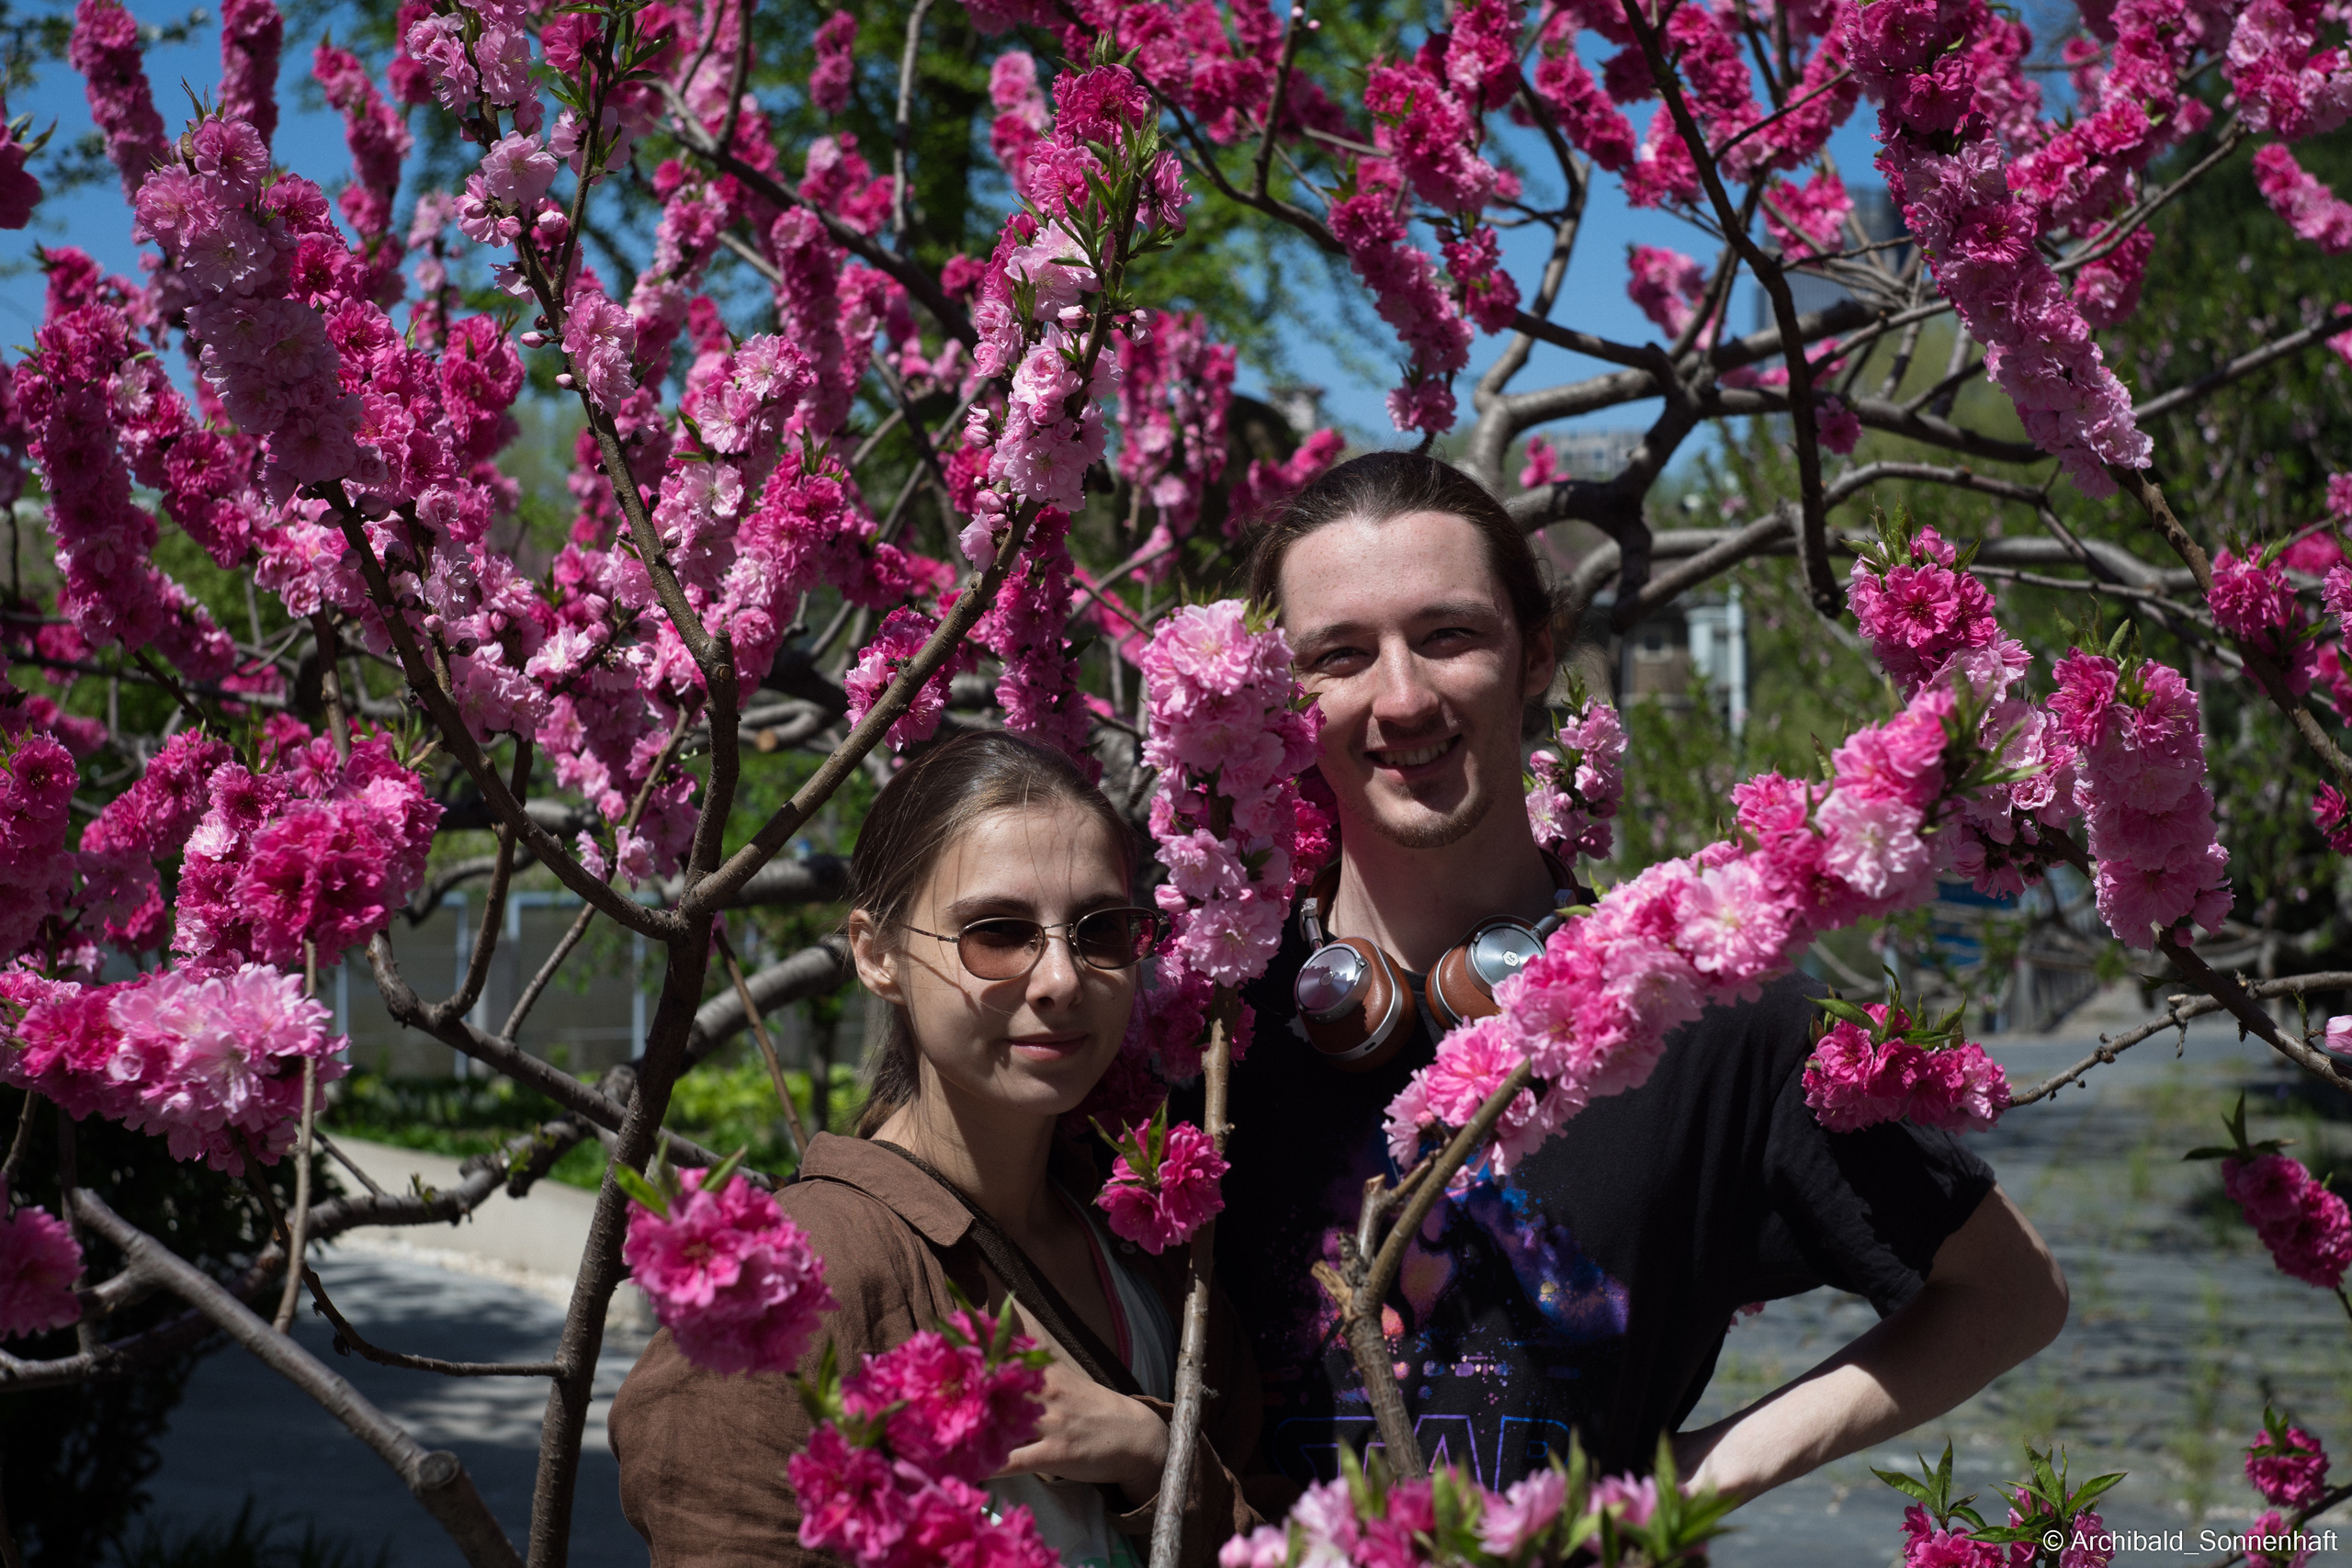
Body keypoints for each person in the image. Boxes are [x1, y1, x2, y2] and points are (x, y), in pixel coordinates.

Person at [1213, 451, 2069, 1504]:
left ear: (1535, 654)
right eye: (1339, 655)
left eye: (1448, 636)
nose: (1401, 696)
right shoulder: (1203, 1037)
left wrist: (1679, 1488)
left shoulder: (1698, 1013)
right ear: (1283, 698)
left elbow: (2010, 1294)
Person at [611, 731, 1268, 1568]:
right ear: (876, 953)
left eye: (1101, 929)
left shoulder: (1161, 1257)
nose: (1062, 978)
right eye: (998, 931)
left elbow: (1272, 1531)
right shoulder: (799, 1279)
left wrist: (1148, 1451)